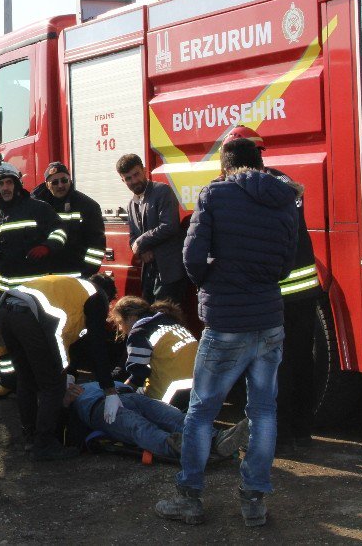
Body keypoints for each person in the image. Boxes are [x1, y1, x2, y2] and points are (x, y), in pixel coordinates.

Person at [155, 138, 298, 528]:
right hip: (269, 321)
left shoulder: (214, 195)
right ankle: (254, 503)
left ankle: (190, 499)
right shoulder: (284, 198)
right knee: (264, 411)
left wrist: (212, 282)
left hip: (226, 321)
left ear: (226, 165)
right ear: (260, 162)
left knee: (201, 413)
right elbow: (286, 264)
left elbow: (191, 258)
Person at [223, 126, 322, 455]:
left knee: (271, 364)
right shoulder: (285, 184)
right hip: (305, 289)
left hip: (271, 292)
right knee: (301, 359)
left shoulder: (242, 191)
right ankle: (302, 431)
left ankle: (277, 436)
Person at [0, 273, 118, 461]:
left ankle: (31, 436)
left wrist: (70, 374)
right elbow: (96, 344)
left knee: (26, 378)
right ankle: (44, 443)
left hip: (6, 311)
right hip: (29, 317)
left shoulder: (70, 287)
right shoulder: (97, 296)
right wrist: (109, 390)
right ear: (109, 296)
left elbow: (75, 342)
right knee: (52, 384)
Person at [0, 158, 67, 398]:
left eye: (9, 182)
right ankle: (8, 382)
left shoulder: (38, 208)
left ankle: (45, 383)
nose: (6, 188)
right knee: (4, 344)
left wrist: (48, 246)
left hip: (36, 291)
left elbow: (60, 231)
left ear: (17, 184)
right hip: (5, 293)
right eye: (1, 184)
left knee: (41, 340)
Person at [65, 381, 249, 462]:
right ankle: (177, 445)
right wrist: (65, 400)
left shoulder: (100, 375)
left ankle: (217, 439)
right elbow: (55, 416)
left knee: (173, 416)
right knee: (137, 426)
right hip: (99, 407)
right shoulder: (67, 394)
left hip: (129, 395)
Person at [116, 154, 186, 304]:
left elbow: (169, 226)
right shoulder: (131, 205)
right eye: (128, 178)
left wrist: (141, 243)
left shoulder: (162, 192)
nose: (134, 181)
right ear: (122, 180)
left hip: (169, 274)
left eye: (136, 174)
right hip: (148, 274)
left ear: (144, 170)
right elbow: (132, 238)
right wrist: (141, 250)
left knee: (166, 320)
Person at [110, 296, 197, 406]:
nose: (121, 329)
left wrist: (114, 394)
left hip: (170, 396)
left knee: (125, 397)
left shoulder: (140, 332)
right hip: (197, 391)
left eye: (120, 323)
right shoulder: (169, 321)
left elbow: (138, 375)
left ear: (131, 317)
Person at [31, 161, 107, 277]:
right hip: (44, 278)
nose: (60, 185)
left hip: (76, 278)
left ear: (70, 180)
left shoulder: (88, 206)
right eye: (55, 182)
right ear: (47, 185)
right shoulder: (36, 207)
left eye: (64, 180)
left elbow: (96, 244)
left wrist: (86, 273)